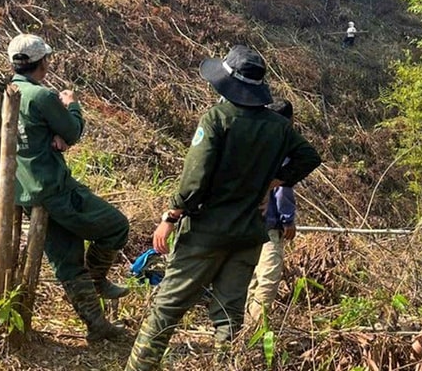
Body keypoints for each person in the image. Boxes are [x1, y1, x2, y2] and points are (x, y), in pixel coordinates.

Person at [125, 45, 322, 371]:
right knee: (228, 318)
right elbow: (309, 157)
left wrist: (171, 216)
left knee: (167, 307)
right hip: (247, 235)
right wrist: (277, 180)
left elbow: (194, 180)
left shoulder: (217, 119)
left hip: (206, 232)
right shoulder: (279, 126)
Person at [8, 33, 130, 343]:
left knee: (67, 260)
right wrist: (72, 106)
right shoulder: (43, 96)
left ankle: (96, 325)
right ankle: (98, 279)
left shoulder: (7, 92)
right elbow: (73, 132)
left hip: (26, 192)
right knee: (116, 226)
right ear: (42, 63)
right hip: (54, 188)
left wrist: (51, 137)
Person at [246, 98, 297, 325]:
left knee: (253, 275)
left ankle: (243, 323)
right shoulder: (282, 148)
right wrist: (288, 220)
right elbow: (283, 189)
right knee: (269, 275)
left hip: (248, 222)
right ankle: (256, 327)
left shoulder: (255, 144)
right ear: (290, 121)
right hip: (269, 223)